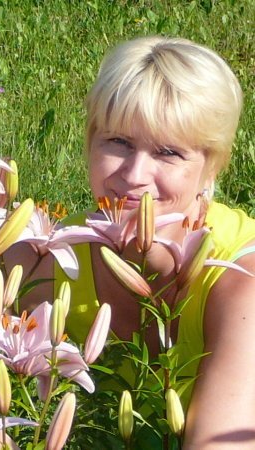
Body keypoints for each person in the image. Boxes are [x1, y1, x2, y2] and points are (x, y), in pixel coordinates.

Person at [15, 36, 255, 449]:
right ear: (91, 141)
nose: (134, 175)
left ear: (212, 166)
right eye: (119, 142)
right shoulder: (44, 257)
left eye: (168, 152)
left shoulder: (241, 279)